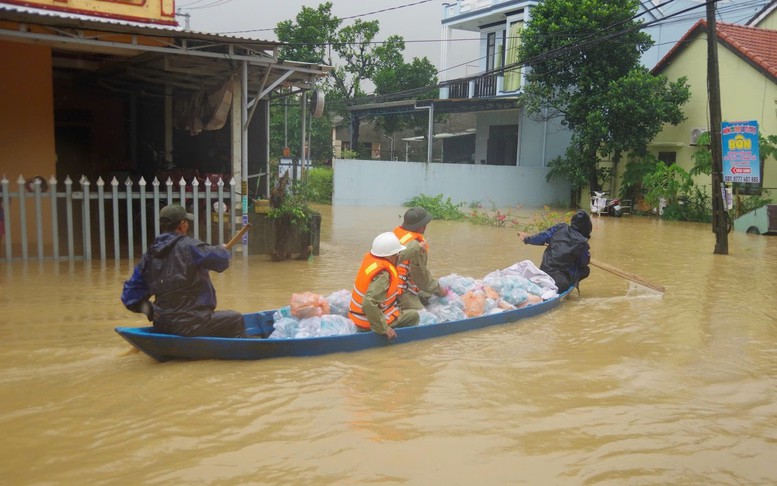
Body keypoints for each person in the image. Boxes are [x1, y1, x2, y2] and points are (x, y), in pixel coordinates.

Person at [121, 204, 245, 338]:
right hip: (193, 324)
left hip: (163, 325)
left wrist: (153, 313)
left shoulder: (149, 256)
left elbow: (130, 298)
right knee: (236, 319)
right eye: (187, 222)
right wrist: (223, 249)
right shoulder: (190, 247)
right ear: (182, 225)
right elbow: (221, 260)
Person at [348, 232, 420, 340]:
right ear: (391, 256)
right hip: (366, 323)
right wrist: (383, 328)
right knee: (414, 316)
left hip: (356, 316)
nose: (399, 256)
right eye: (397, 254)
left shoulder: (372, 260)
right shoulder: (384, 275)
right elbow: (368, 302)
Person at [517, 209, 592, 292]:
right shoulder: (582, 242)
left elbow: (542, 236)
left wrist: (527, 239)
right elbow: (583, 263)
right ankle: (569, 283)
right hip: (560, 277)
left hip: (545, 269)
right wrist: (585, 254)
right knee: (585, 270)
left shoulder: (560, 227)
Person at [392, 207, 447, 311]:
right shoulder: (417, 245)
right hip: (399, 291)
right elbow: (421, 276)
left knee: (427, 293)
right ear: (423, 226)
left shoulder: (396, 234)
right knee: (422, 315)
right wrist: (439, 290)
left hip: (388, 286)